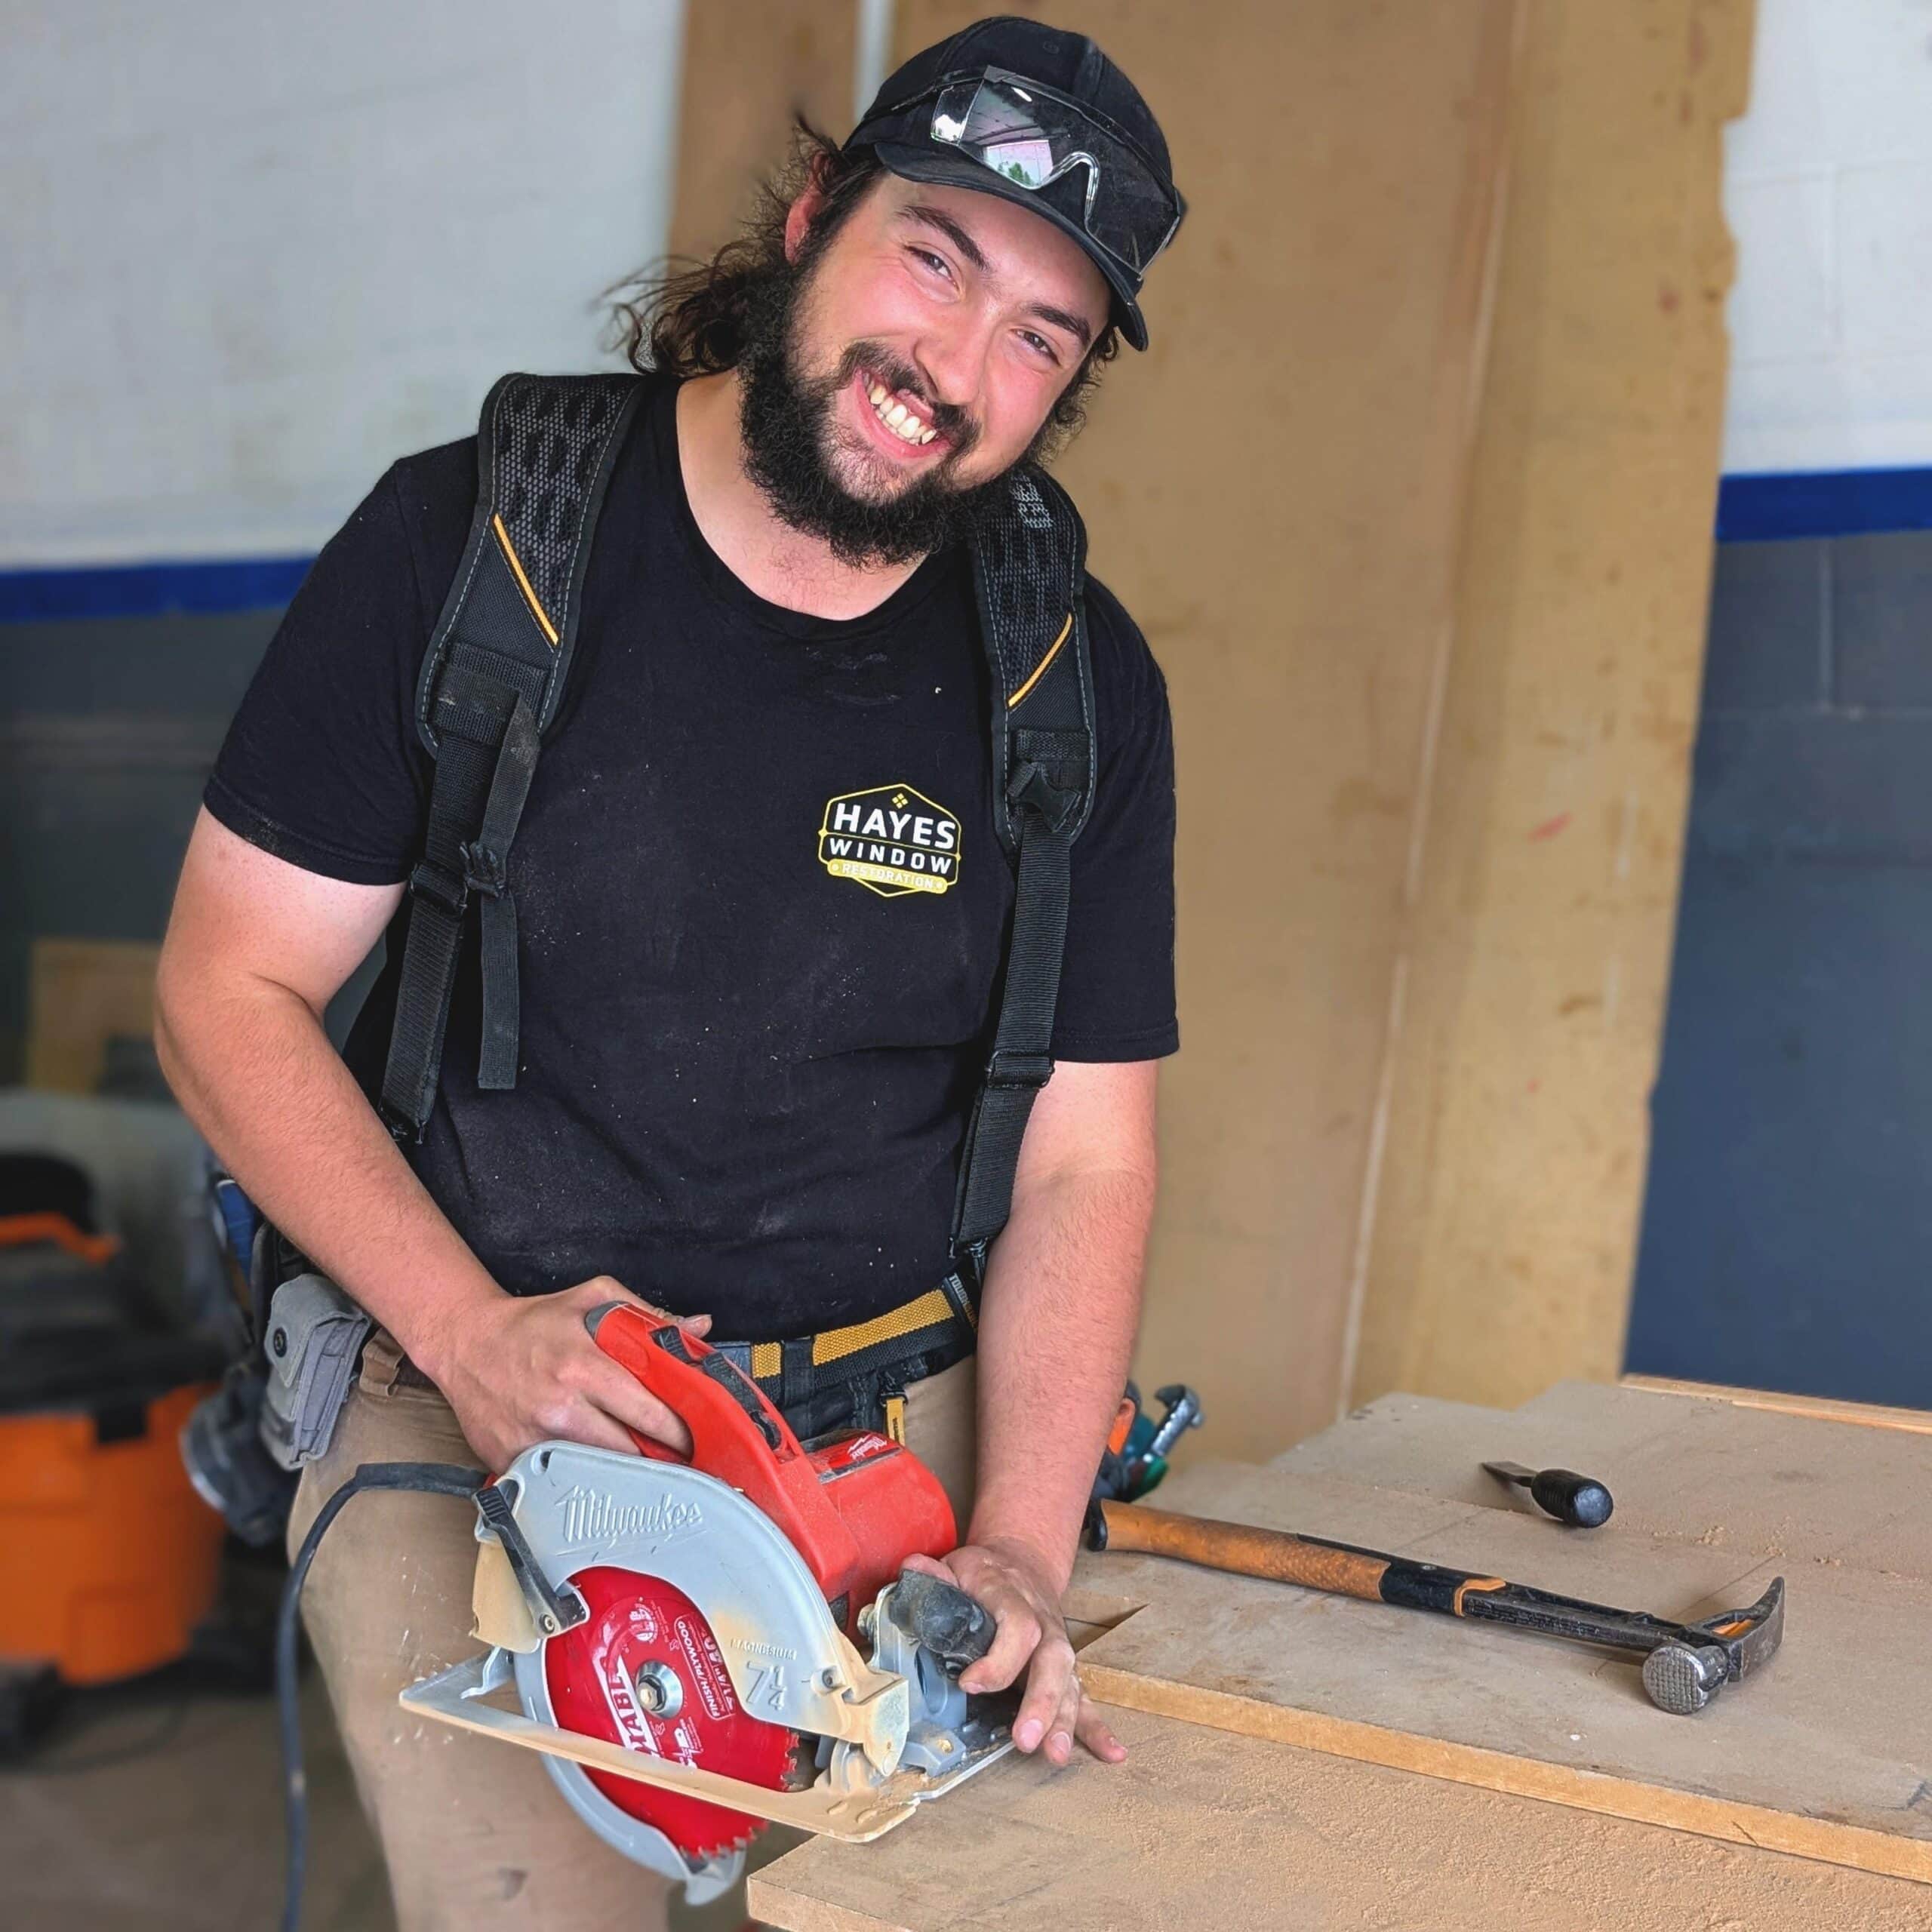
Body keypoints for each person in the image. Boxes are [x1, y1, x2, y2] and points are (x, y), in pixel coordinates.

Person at [156, 15, 1184, 1929]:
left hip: (889, 1443)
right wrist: (468, 1335)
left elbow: (1086, 1158)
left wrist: (1026, 1550)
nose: (950, 366)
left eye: (1035, 336)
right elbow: (228, 995)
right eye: (932, 258)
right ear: (809, 219)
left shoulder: (1073, 677)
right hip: (475, 1397)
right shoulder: (472, 549)